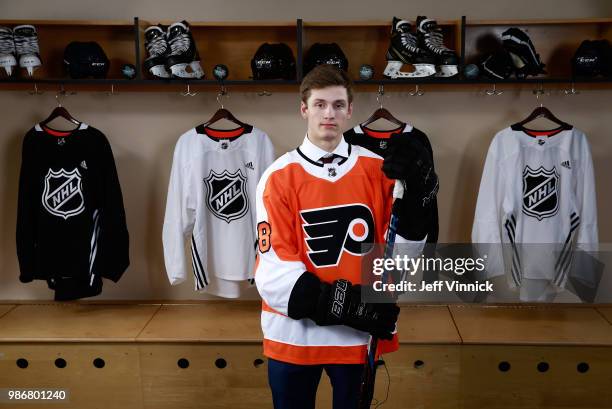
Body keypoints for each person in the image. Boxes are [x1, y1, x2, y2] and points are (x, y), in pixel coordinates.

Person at [254, 64, 433, 409]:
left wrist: (417, 205)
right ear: (303, 109)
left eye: (338, 105)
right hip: (294, 336)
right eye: (319, 104)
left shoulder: (379, 171)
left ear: (350, 110)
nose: (329, 114)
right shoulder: (278, 177)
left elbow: (400, 258)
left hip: (356, 340)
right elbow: (274, 276)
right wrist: (352, 307)